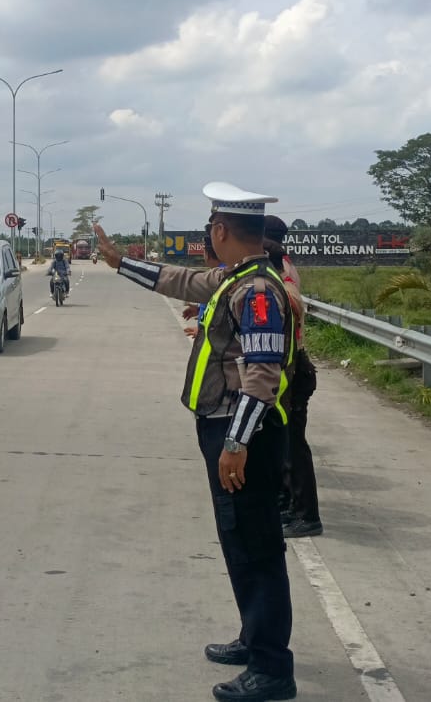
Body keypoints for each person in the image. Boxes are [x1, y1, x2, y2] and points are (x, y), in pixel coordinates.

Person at [95, 182, 297, 702]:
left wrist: (236, 442)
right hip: (225, 427)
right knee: (238, 540)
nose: (210, 233)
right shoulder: (237, 277)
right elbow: (179, 279)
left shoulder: (257, 291)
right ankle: (254, 637)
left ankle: (272, 668)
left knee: (257, 547)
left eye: (211, 226)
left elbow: (262, 374)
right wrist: (120, 263)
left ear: (221, 230)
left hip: (244, 433)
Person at [264, 216, 321, 539]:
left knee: (295, 447)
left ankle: (306, 515)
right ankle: (288, 504)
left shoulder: (281, 270)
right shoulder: (278, 267)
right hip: (288, 367)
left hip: (294, 368)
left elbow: (295, 304)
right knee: (285, 444)